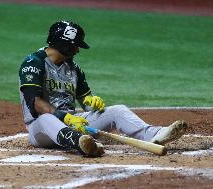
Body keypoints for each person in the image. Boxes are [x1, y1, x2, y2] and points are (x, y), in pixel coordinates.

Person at [18, 20, 187, 157]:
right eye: (75, 45)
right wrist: (66, 118)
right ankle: (81, 143)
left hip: (73, 124)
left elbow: (86, 103)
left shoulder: (73, 68)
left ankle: (154, 135)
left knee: (117, 111)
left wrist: (92, 102)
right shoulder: (34, 63)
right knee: (46, 118)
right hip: (41, 130)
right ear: (64, 44)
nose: (77, 50)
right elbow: (35, 103)